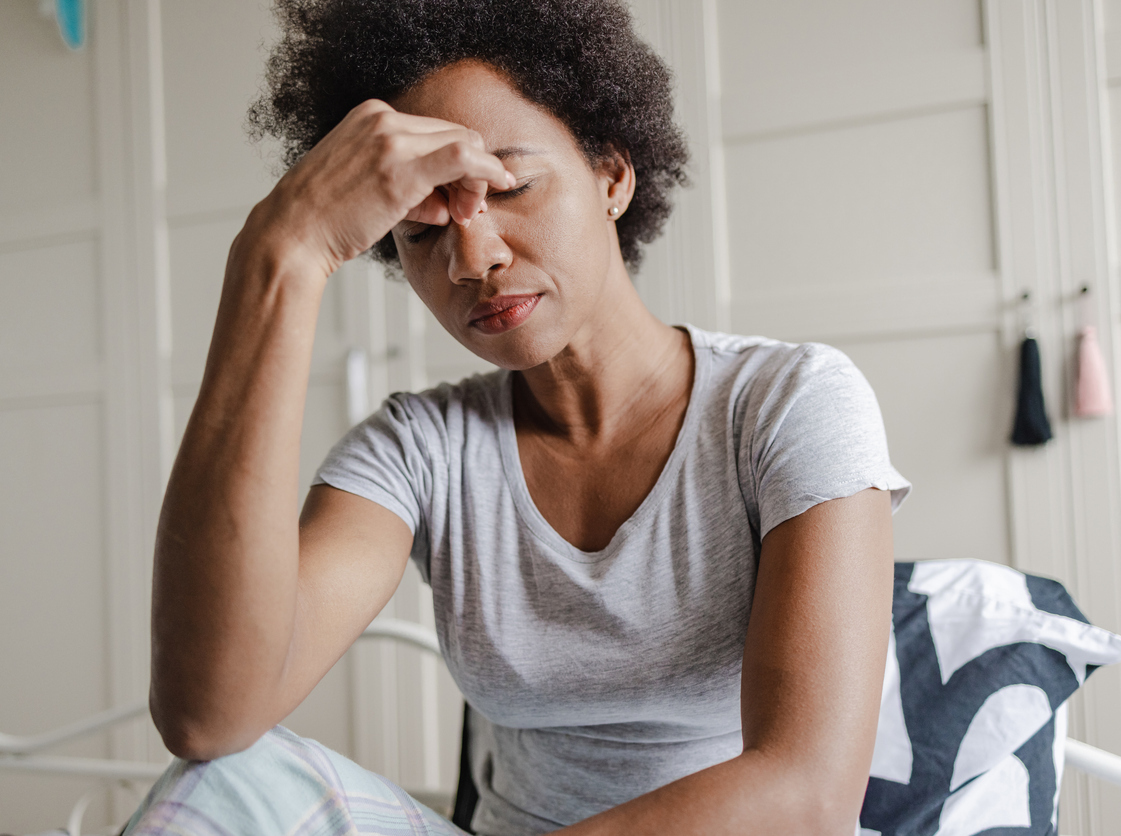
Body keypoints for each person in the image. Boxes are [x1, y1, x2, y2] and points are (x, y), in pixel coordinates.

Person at [130, 0, 910, 833]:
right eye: (422, 232)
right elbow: (209, 717)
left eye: (511, 188)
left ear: (612, 176)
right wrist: (280, 251)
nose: (474, 258)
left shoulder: (787, 402)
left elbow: (807, 795)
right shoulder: (420, 450)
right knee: (219, 784)